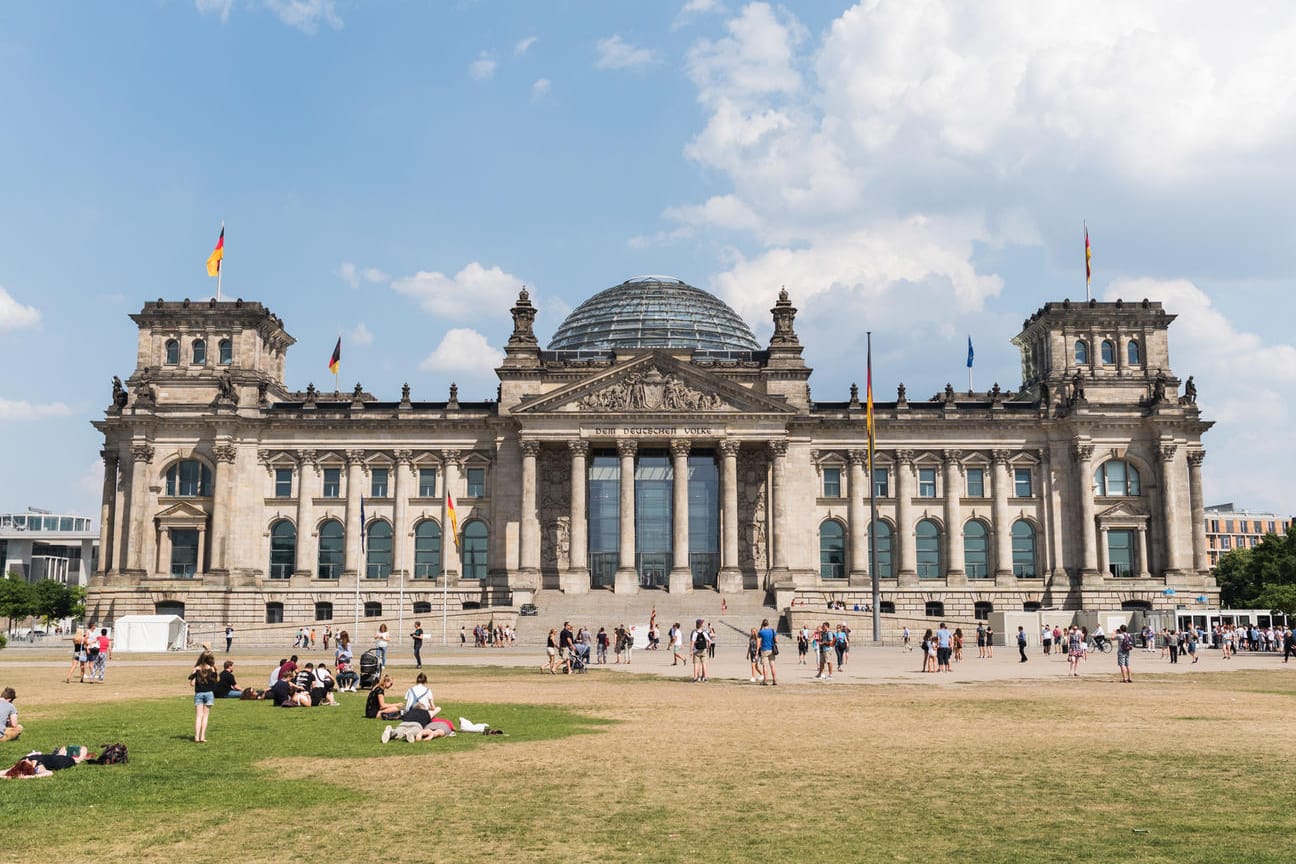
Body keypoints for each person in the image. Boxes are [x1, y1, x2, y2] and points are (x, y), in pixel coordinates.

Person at [188, 651, 218, 743]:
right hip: (209, 693)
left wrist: (195, 676)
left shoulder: (196, 669)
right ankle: (202, 736)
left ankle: (196, 737)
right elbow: (215, 681)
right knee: (205, 716)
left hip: (199, 693)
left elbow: (192, 684)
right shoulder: (212, 669)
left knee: (198, 716)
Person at [757, 618, 778, 686]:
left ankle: (765, 680)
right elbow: (776, 641)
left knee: (765, 666)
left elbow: (758, 642)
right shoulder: (772, 631)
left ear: (763, 624)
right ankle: (774, 680)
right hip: (771, 650)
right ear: (768, 624)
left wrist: (757, 650)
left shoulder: (761, 632)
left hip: (764, 650)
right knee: (772, 666)